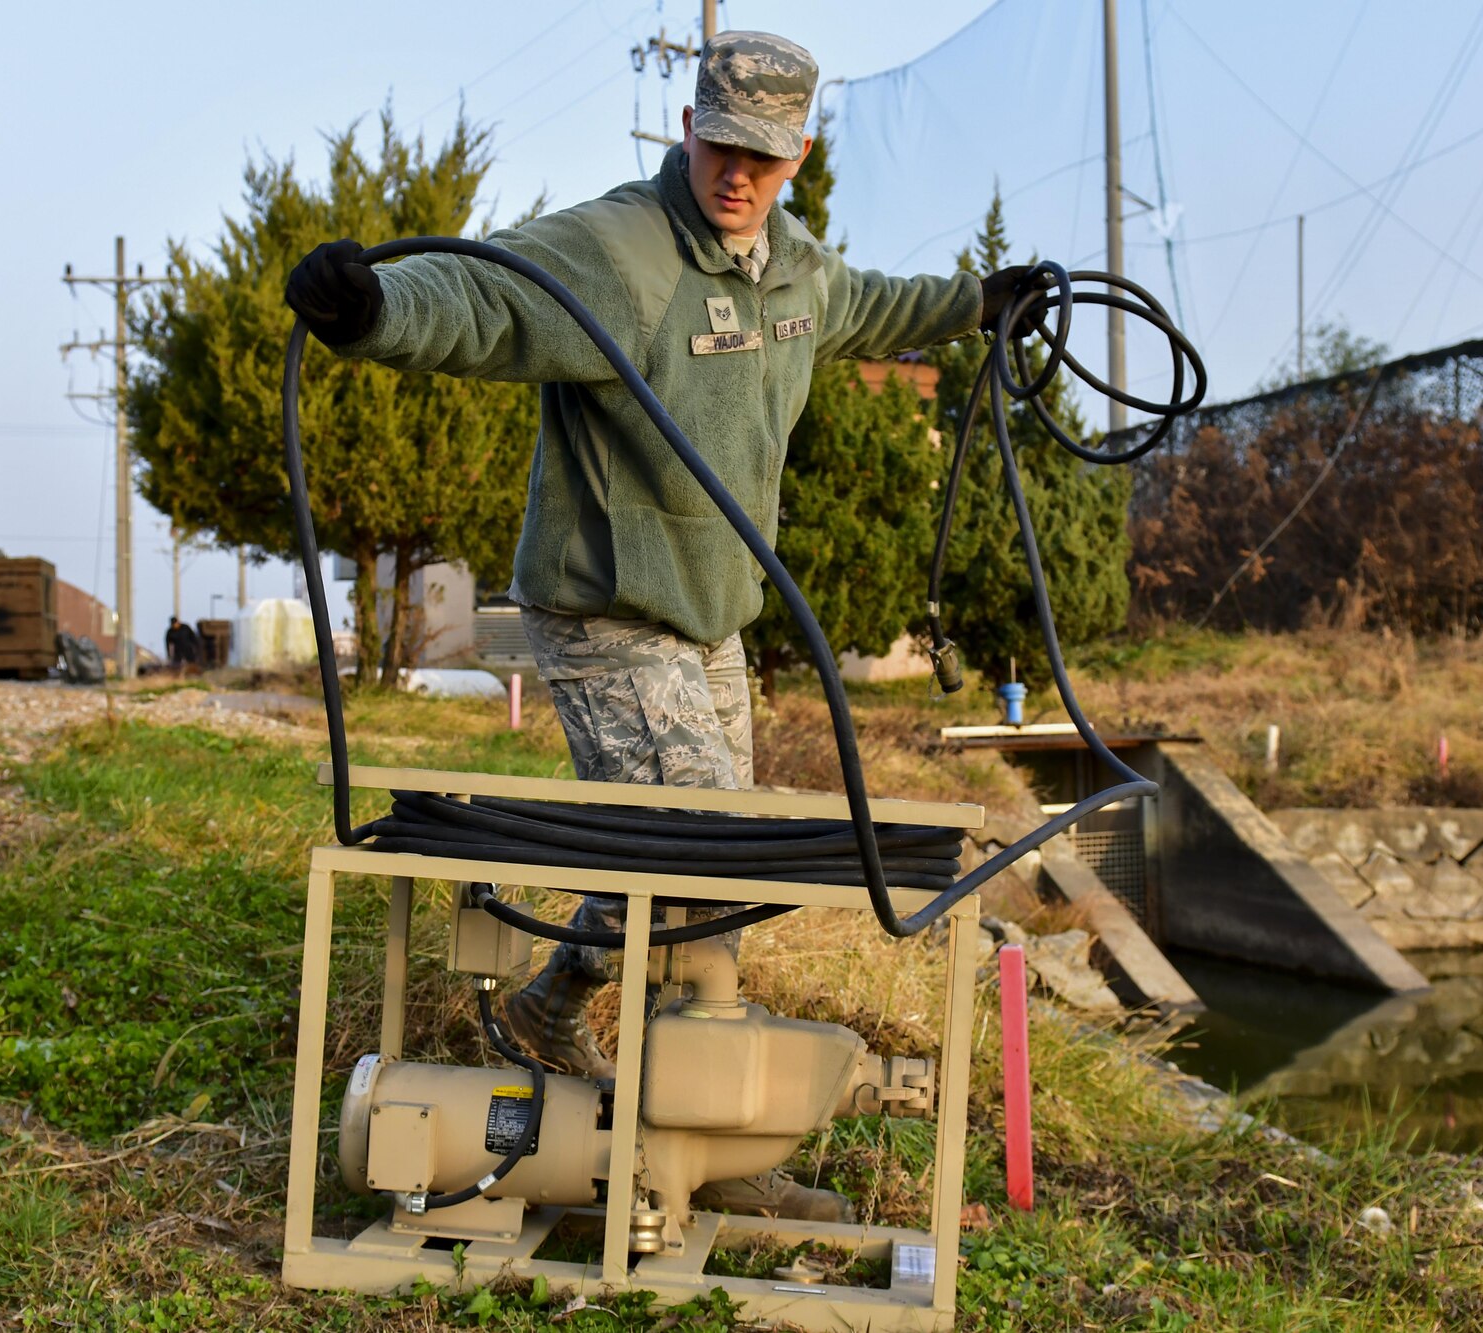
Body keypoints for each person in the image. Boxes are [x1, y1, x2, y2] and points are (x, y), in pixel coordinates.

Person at [286, 30, 1036, 1222]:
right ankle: (680, 1159)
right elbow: (484, 296)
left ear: (796, 157)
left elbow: (867, 305)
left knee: (700, 869)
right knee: (694, 866)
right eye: (719, 143)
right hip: (605, 609)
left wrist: (974, 302)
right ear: (688, 128)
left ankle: (549, 1012)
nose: (737, 174)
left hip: (714, 618)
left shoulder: (793, 268)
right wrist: (373, 311)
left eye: (765, 156)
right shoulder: (619, 249)